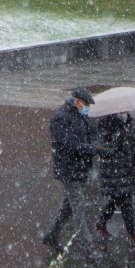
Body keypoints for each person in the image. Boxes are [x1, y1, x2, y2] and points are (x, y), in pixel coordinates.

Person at [43, 88, 97, 247]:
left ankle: (52, 234)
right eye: (86, 104)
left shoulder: (81, 116)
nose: (87, 108)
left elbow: (90, 133)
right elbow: (69, 145)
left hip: (78, 167)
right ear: (78, 101)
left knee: (69, 205)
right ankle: (86, 242)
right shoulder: (61, 118)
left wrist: (98, 145)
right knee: (78, 203)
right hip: (68, 169)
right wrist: (89, 148)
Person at [93, 110, 135, 245]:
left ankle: (102, 222)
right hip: (114, 172)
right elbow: (105, 151)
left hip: (125, 170)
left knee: (118, 199)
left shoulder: (127, 124)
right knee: (125, 202)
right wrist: (119, 136)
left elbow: (132, 146)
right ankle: (134, 234)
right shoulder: (105, 126)